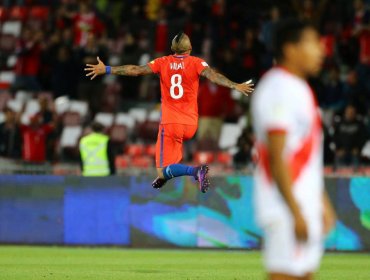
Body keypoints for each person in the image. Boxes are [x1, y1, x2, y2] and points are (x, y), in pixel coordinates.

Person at [84, 32, 254, 193]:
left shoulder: (162, 62)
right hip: (191, 124)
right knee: (167, 168)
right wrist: (234, 85)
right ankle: (165, 176)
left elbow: (135, 70)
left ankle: (194, 171)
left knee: (161, 170)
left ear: (173, 49)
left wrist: (107, 69)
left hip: (170, 123)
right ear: (190, 49)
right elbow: (213, 76)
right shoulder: (197, 62)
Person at [251, 19, 336, 280]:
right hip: (286, 206)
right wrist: (295, 211)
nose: (321, 50)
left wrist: (321, 204)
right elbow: (276, 156)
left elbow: (304, 155)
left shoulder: (298, 88)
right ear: (290, 49)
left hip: (302, 204)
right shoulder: (279, 88)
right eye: (313, 43)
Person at [333, 104, 367, 170]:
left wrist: (358, 148)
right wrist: (338, 148)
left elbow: (364, 138)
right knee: (338, 169)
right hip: (342, 150)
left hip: (354, 152)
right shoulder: (339, 123)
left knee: (356, 169)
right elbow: (335, 137)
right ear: (345, 112)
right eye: (349, 112)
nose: (350, 114)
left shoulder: (360, 124)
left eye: (352, 112)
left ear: (355, 113)